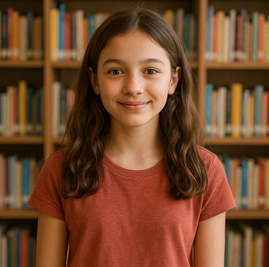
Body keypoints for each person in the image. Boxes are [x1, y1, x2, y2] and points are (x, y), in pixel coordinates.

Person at [28, 5, 236, 267]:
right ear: (94, 80)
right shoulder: (60, 169)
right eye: (116, 71)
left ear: (173, 80)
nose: (133, 88)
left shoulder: (206, 170)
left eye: (150, 71)